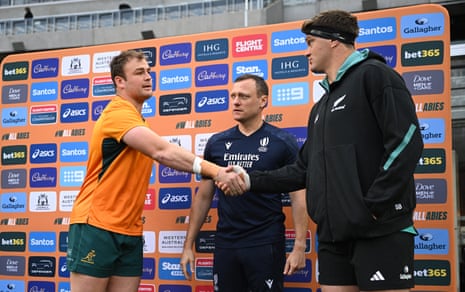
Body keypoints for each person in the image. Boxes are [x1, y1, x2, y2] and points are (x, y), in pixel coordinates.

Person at [219, 10, 424, 292]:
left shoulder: (375, 75)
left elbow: (407, 140)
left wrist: (376, 204)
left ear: (334, 41)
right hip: (332, 235)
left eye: (310, 42)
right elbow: (302, 170)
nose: (306, 52)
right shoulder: (322, 105)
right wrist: (250, 179)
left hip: (379, 229)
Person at [66, 50, 244, 292]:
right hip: (96, 225)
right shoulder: (116, 113)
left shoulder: (139, 121)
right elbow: (163, 152)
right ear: (120, 82)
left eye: (149, 71)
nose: (148, 76)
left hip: (129, 230)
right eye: (139, 72)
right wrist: (217, 171)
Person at [180, 74, 308, 291]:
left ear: (263, 101)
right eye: (233, 96)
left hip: (265, 242)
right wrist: (187, 245)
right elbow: (203, 197)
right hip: (226, 243)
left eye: (244, 96)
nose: (236, 101)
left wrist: (299, 246)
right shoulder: (216, 143)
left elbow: (298, 198)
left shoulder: (283, 142)